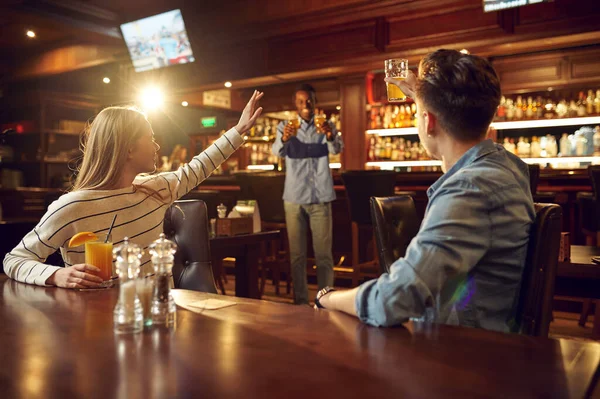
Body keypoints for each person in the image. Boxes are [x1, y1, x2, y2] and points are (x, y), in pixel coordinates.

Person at [315, 49, 535, 333]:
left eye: (418, 114)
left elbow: (393, 299)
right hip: (488, 342)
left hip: (465, 356)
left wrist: (328, 297)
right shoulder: (509, 168)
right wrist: (423, 96)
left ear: (428, 122)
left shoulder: (467, 190)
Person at [3, 91, 264, 288]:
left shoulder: (155, 190)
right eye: (150, 138)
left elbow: (198, 167)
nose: (156, 146)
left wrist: (239, 130)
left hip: (157, 317)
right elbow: (14, 259)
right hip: (96, 325)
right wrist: (57, 275)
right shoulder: (71, 207)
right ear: (128, 148)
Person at [271, 84, 343, 305]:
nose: (306, 105)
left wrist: (330, 136)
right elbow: (276, 151)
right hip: (294, 197)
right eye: (301, 101)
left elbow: (337, 149)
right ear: (296, 104)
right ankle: (300, 302)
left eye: (309, 100)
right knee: (297, 256)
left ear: (315, 101)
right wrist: (284, 139)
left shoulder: (327, 125)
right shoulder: (285, 126)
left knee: (324, 255)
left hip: (321, 196)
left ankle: (325, 301)